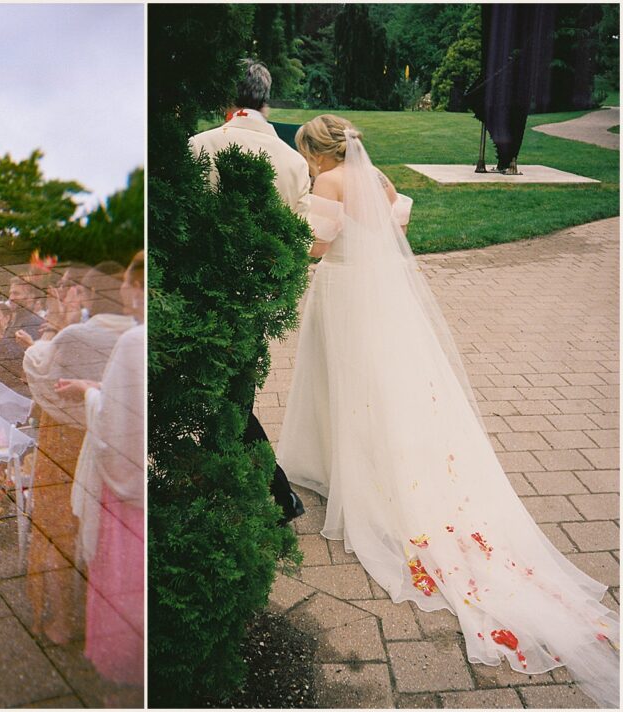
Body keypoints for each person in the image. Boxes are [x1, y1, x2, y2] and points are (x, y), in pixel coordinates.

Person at [277, 114, 619, 708]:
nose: (305, 162)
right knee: (375, 391)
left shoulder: (328, 184)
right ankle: (356, 465)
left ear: (317, 151)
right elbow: (392, 232)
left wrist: (283, 234)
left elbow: (315, 247)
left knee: (345, 386)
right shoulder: (378, 179)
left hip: (342, 294)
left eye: (305, 153)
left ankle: (353, 475)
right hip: (378, 300)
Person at [189, 57, 309, 526]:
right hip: (260, 299)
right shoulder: (294, 162)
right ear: (265, 98)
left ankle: (279, 495)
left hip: (204, 293)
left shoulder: (200, 146)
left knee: (225, 400)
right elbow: (298, 237)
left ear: (227, 99)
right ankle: (227, 483)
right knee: (230, 395)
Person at [22, 263, 134, 645]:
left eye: (75, 289)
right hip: (114, 441)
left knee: (57, 527)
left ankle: (62, 621)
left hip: (67, 439)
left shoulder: (76, 334)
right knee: (103, 528)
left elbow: (37, 369)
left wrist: (54, 324)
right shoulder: (133, 334)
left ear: (86, 296)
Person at [57, 251, 145, 692]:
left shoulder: (134, 340)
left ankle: (119, 667)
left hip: (128, 490)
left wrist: (89, 395)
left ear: (135, 287)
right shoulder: (137, 335)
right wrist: (96, 388)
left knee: (121, 576)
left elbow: (113, 415)